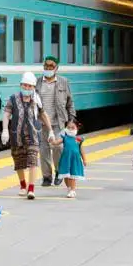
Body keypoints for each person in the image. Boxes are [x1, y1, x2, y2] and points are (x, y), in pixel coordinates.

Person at [1, 72, 55, 199]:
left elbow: (43, 114)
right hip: (16, 136)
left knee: (32, 162)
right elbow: (6, 114)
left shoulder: (36, 100)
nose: (27, 88)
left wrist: (51, 130)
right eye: (25, 85)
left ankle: (31, 189)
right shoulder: (13, 98)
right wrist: (5, 130)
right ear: (21, 85)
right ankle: (23, 185)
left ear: (33, 87)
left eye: (30, 86)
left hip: (33, 136)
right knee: (18, 162)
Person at [37, 56, 76, 187]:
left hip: (58, 122)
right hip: (42, 123)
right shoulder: (38, 83)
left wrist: (71, 120)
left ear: (56, 68)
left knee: (58, 147)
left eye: (51, 66)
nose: (48, 68)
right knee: (44, 150)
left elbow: (70, 103)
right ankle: (47, 177)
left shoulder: (63, 82)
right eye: (46, 66)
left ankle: (59, 172)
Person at [48, 120, 87, 199]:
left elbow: (82, 150)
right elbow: (56, 143)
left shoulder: (78, 139)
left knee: (72, 175)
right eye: (68, 128)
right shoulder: (65, 138)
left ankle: (73, 190)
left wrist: (84, 159)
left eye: (72, 128)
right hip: (66, 159)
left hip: (74, 160)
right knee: (65, 175)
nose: (70, 130)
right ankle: (69, 188)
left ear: (77, 128)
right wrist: (52, 141)